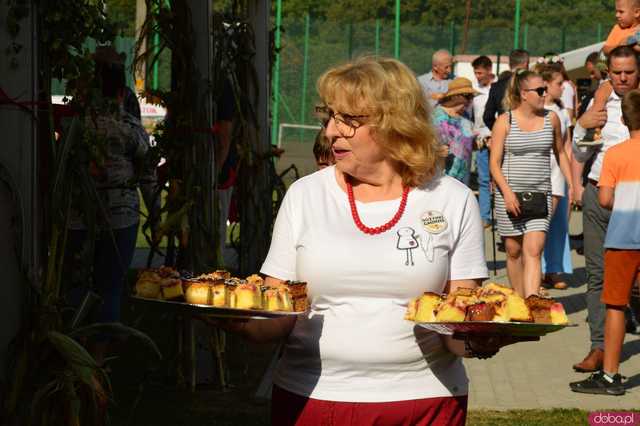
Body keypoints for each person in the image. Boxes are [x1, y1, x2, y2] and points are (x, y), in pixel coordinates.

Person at [217, 56, 533, 426]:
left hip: (425, 402)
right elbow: (278, 315)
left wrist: (485, 338)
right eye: (330, 116)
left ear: (394, 123)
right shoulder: (305, 195)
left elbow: (455, 326)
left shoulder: (452, 198)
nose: (331, 131)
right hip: (314, 399)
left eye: (347, 120)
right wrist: (232, 318)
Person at [65, 46, 158, 365]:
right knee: (111, 287)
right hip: (121, 219)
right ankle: (98, 361)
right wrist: (156, 214)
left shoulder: (76, 126)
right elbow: (147, 175)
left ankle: (75, 353)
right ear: (120, 91)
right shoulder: (130, 128)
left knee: (78, 283)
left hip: (77, 218)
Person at [571, 45, 639, 373]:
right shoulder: (598, 104)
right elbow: (580, 154)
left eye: (630, 72)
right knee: (597, 276)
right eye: (617, 72)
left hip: (635, 201)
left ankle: (624, 325)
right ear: (608, 72)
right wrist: (583, 125)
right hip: (600, 196)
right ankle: (599, 348)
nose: (623, 78)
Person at [489, 70, 573, 298]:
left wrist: (571, 184)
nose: (544, 94)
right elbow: (494, 163)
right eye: (539, 90)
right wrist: (506, 193)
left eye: (545, 89)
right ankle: (518, 298)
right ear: (524, 94)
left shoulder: (551, 118)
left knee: (534, 250)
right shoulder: (504, 121)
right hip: (510, 195)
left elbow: (560, 153)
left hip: (540, 194)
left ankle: (532, 301)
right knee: (514, 251)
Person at [536, 63, 574, 290]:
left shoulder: (561, 112)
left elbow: (567, 145)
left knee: (558, 224)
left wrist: (570, 177)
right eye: (559, 83)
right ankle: (536, 270)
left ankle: (555, 268)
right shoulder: (536, 111)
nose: (563, 87)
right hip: (539, 171)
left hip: (558, 172)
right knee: (539, 222)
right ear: (546, 85)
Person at [580, 0, 640, 142]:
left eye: (621, 12)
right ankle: (593, 130)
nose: (617, 15)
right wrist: (621, 45)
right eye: (616, 11)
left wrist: (633, 46)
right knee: (601, 93)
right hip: (614, 81)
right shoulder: (617, 29)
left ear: (637, 12)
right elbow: (606, 49)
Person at [432, 77, 478, 185]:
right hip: (442, 176)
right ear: (456, 96)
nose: (470, 100)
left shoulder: (466, 116)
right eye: (468, 96)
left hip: (463, 175)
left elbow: (468, 144)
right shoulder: (439, 115)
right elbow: (427, 144)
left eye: (472, 96)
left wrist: (478, 142)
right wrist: (437, 150)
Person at [471, 55, 496, 227]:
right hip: (481, 139)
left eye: (480, 72)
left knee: (501, 177)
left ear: (489, 70)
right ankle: (484, 216)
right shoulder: (474, 90)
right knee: (484, 179)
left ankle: (503, 214)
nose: (478, 76)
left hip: (497, 138)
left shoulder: (498, 87)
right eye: (475, 73)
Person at [483, 49, 530, 133]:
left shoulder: (496, 86)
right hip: (528, 133)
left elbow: (487, 116)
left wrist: (500, 132)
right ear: (526, 63)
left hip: (505, 135)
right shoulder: (530, 85)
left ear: (509, 64)